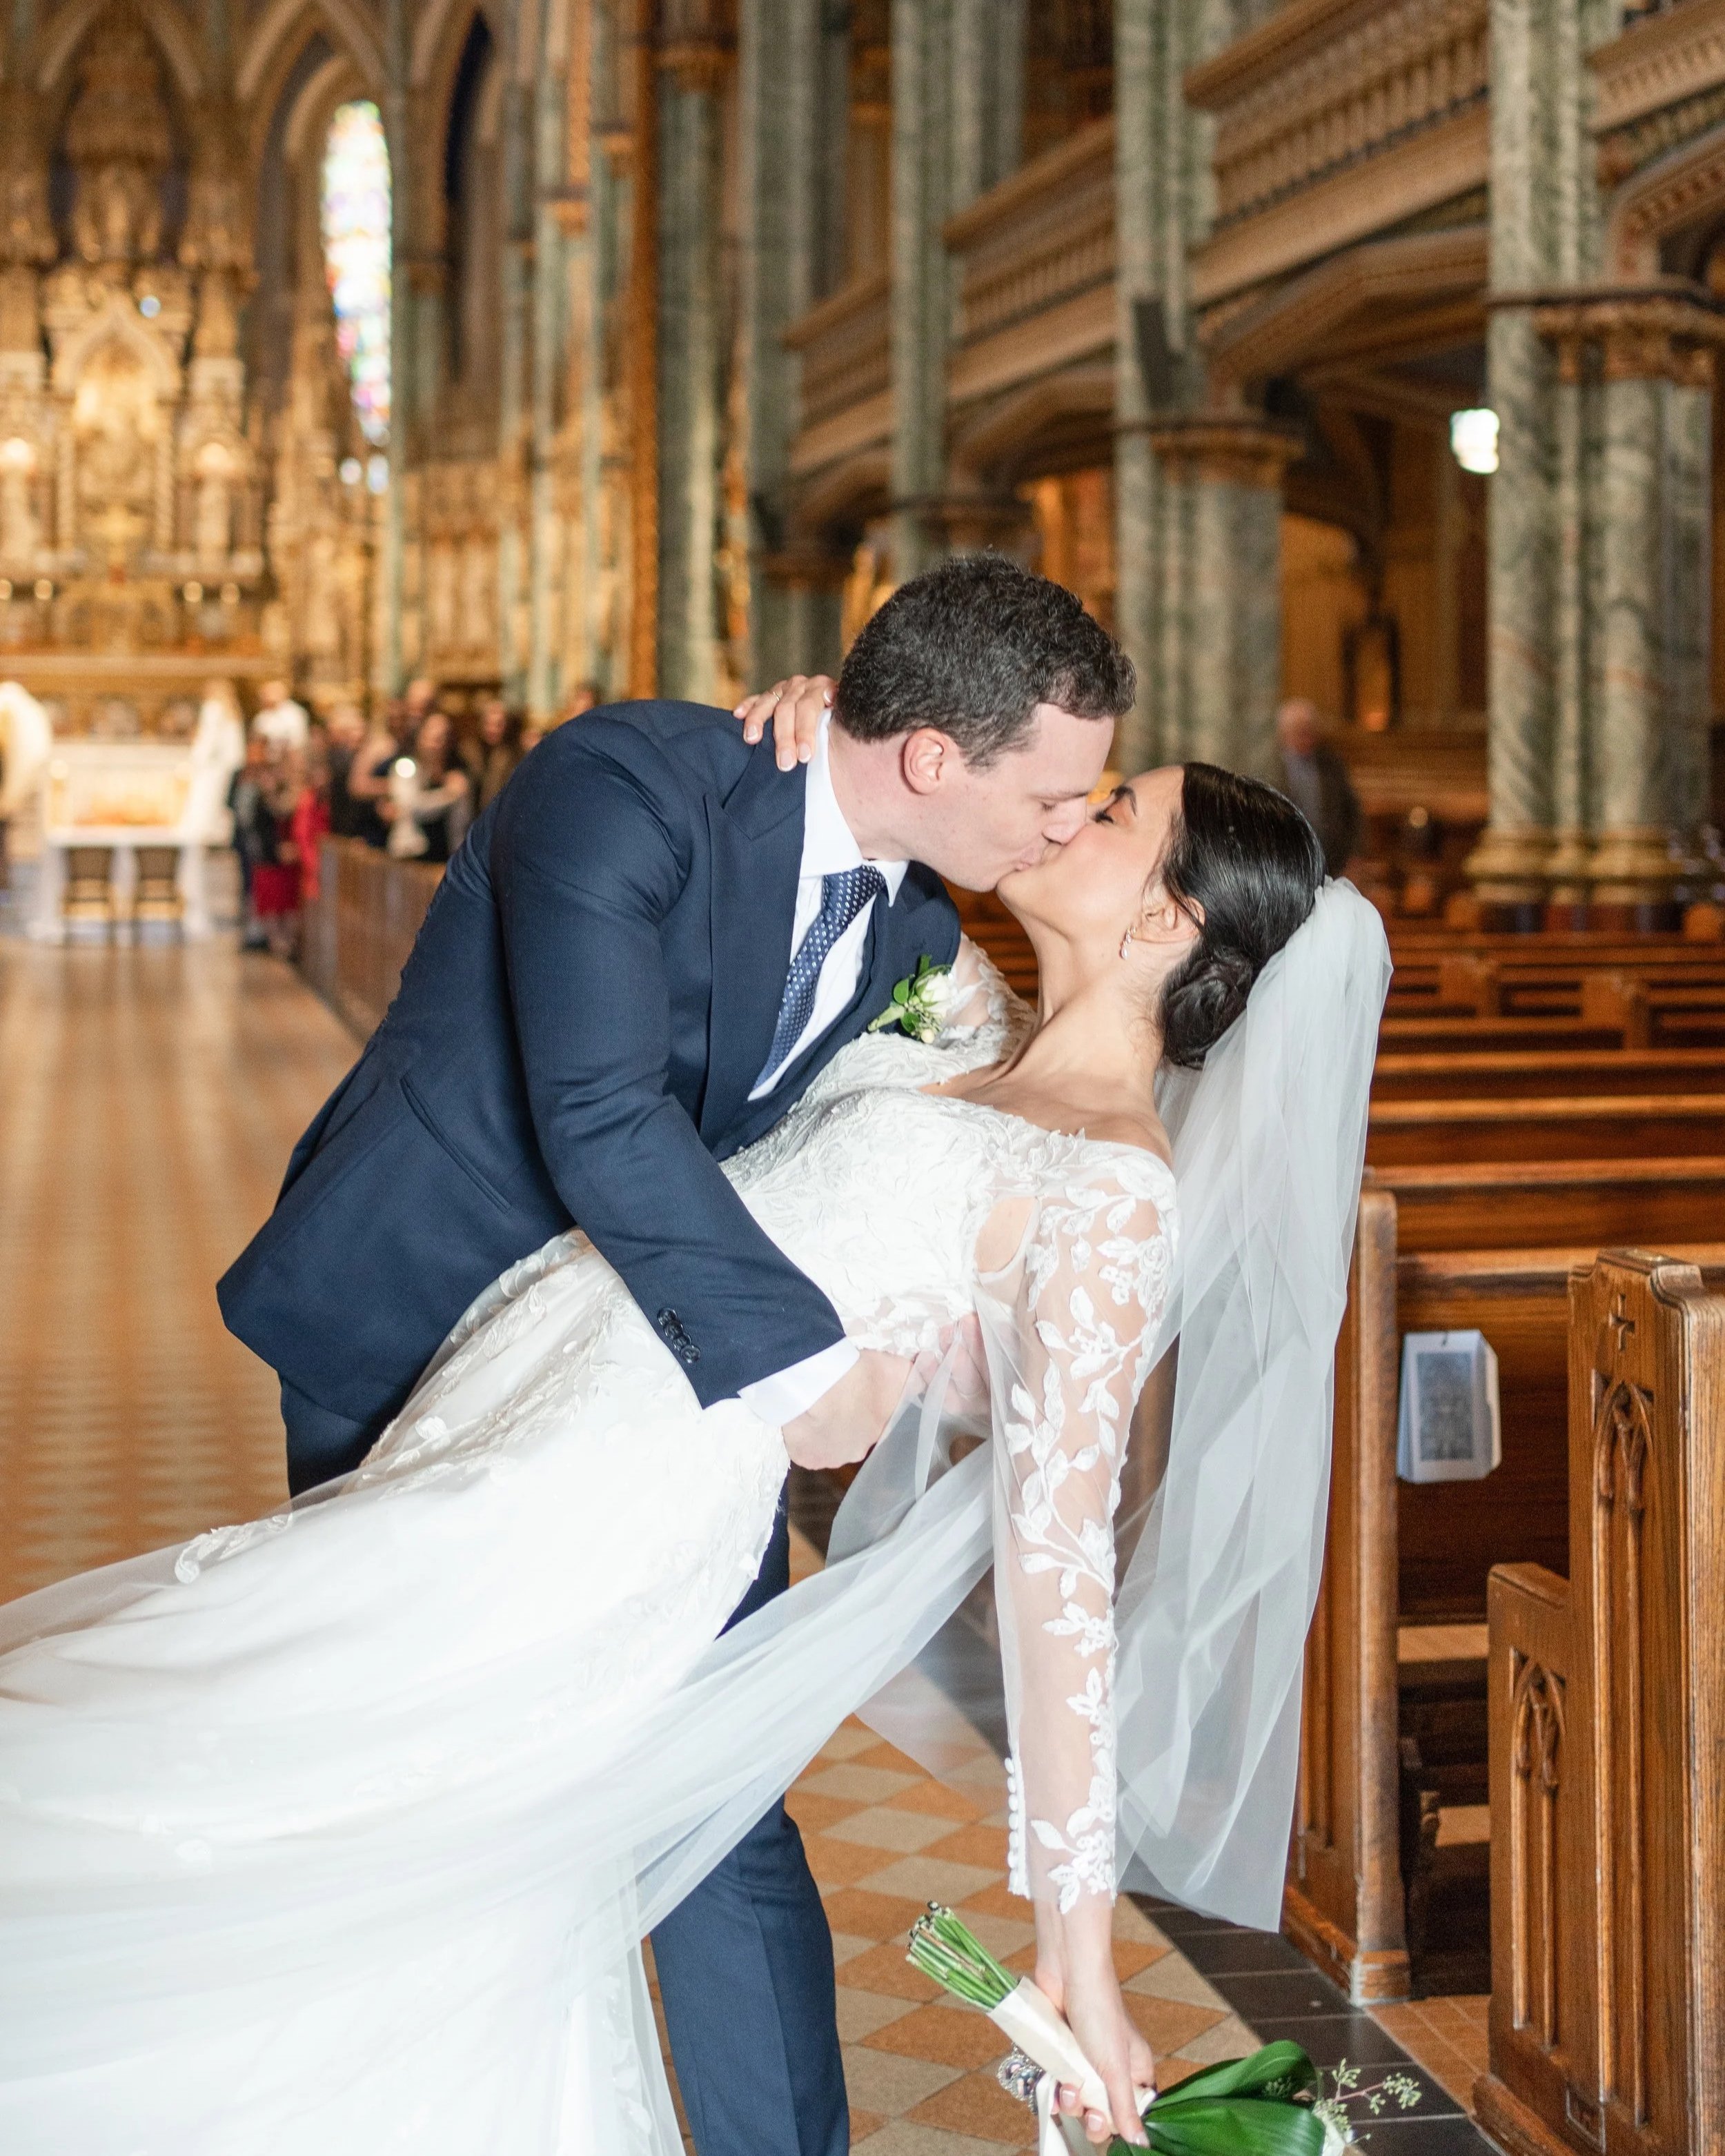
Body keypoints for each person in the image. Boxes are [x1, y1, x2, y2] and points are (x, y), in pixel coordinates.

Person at [0, 721, 1389, 2151]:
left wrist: (1077, 1948)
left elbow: (1056, 1570)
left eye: (1105, 811)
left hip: (619, 1495)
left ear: (1166, 915)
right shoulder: (965, 1016)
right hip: (518, 1390)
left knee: (262, 1745)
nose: (1057, 817)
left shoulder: (1114, 1196)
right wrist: (823, 724)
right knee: (389, 1828)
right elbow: (848, 814)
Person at [1274, 695, 1361, 876]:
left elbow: (1351, 809)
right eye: (1300, 731)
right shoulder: (1272, 769)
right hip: (1291, 861)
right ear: (1285, 734)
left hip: (1333, 859)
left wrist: (1355, 854)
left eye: (1309, 730)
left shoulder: (1331, 764)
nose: (1306, 737)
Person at [381, 710, 472, 864]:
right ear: (421, 737)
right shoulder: (406, 767)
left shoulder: (457, 774)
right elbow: (411, 806)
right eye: (433, 737)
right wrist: (448, 795)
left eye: (443, 737)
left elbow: (463, 822)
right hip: (412, 854)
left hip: (446, 856)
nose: (437, 744)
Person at [465, 695, 528, 812]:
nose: (493, 729)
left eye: (499, 724)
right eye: (488, 724)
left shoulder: (516, 753)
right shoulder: (469, 751)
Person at [252, 678, 311, 755]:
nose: (266, 697)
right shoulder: (261, 717)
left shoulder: (295, 714)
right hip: (267, 760)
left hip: (289, 758)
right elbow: (256, 741)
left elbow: (298, 741)